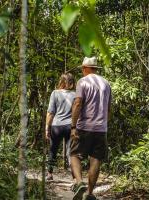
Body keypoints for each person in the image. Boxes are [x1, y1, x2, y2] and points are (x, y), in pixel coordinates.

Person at [70, 57, 111, 200]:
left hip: (84, 127)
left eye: (82, 68)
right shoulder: (106, 83)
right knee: (96, 160)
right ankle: (90, 193)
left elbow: (78, 103)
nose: (82, 71)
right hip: (101, 129)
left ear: (86, 68)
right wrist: (104, 125)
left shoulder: (83, 82)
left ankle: (80, 182)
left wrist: (73, 126)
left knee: (74, 155)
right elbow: (108, 108)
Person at [45, 73, 76, 181]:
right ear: (71, 83)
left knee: (53, 149)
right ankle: (75, 178)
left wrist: (47, 128)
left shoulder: (55, 93)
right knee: (70, 152)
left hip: (56, 126)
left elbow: (50, 112)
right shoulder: (75, 95)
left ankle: (49, 174)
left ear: (61, 82)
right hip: (70, 126)